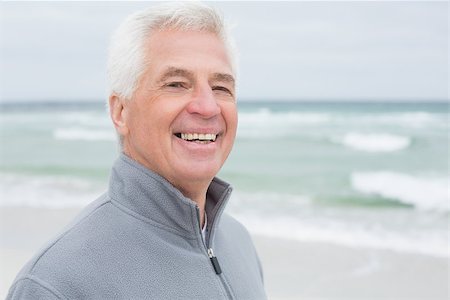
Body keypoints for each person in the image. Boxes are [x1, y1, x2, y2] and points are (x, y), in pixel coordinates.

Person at [7, 2, 267, 299]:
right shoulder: (56, 283)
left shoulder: (238, 243)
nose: (207, 106)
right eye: (176, 84)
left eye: (221, 88)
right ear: (120, 111)